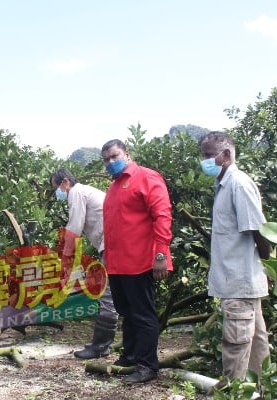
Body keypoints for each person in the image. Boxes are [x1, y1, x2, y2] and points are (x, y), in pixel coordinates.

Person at [199, 131, 271, 388]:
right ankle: (263, 389)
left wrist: (269, 268)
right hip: (238, 278)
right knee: (256, 342)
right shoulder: (224, 185)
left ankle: (233, 391)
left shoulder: (238, 184)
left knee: (236, 342)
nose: (204, 161)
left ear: (226, 155)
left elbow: (258, 231)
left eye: (209, 155)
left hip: (240, 279)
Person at [100, 138, 173, 384]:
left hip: (141, 260)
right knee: (126, 312)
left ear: (127, 154)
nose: (111, 162)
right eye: (106, 159)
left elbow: (162, 216)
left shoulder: (147, 177)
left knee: (143, 314)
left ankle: (147, 365)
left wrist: (161, 254)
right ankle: (130, 356)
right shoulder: (113, 186)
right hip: (118, 263)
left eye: (114, 156)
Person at [49, 168, 118, 359]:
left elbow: (74, 227)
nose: (58, 193)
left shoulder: (76, 193)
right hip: (114, 243)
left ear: (65, 182)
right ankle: (118, 344)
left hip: (112, 244)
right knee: (118, 294)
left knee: (107, 295)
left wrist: (65, 257)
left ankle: (100, 347)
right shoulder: (87, 191)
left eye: (57, 188)